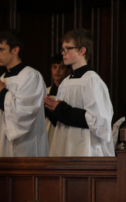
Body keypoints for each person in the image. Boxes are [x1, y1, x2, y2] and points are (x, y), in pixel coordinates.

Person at [44, 28, 115, 157]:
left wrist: (61, 109)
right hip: (65, 146)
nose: (63, 53)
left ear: (82, 50)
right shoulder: (66, 83)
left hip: (85, 148)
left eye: (67, 49)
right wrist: (51, 110)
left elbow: (98, 122)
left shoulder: (92, 81)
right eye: (62, 49)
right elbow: (61, 120)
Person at [0, 29, 49, 157]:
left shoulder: (30, 76)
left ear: (15, 50)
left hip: (23, 147)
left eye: (1, 49)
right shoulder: (1, 78)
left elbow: (24, 114)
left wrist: (2, 91)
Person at [45, 53, 72, 149]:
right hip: (46, 132)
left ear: (68, 70)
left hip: (60, 131)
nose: (57, 71)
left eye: (61, 68)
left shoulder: (68, 92)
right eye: (54, 67)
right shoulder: (46, 91)